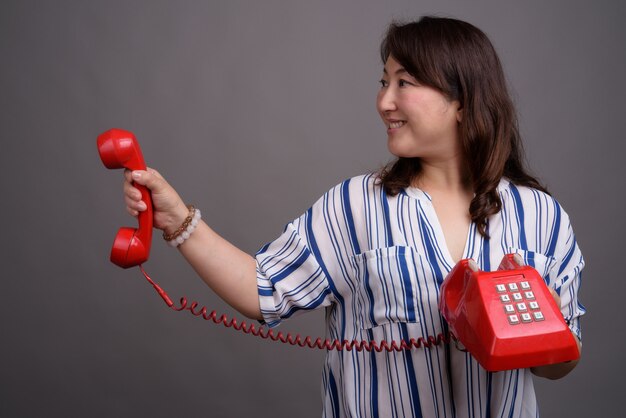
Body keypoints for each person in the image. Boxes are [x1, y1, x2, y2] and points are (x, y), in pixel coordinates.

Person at [122, 16, 584, 418]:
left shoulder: (541, 217)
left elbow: (562, 361)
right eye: (384, 83)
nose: (385, 101)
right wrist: (178, 220)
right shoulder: (355, 205)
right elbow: (262, 289)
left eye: (405, 82)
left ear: (462, 100)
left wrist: (534, 331)